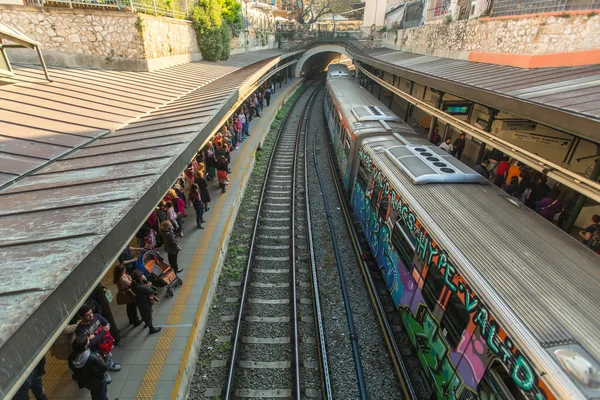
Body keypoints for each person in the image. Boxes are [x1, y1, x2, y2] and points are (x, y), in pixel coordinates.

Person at [75, 305, 120, 373]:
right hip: (94, 349)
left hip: (105, 343)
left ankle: (110, 364)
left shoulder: (97, 316)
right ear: (82, 317)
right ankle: (104, 374)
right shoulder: (80, 330)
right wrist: (103, 331)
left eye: (91, 313)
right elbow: (90, 343)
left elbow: (108, 324)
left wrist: (95, 334)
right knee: (99, 362)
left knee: (108, 355)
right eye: (87, 315)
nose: (91, 316)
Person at [69, 335, 109, 400]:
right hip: (97, 381)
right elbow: (104, 368)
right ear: (85, 346)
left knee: (95, 393)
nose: (89, 339)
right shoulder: (92, 358)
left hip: (87, 380)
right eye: (87, 340)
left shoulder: (72, 356)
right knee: (101, 394)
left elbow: (72, 368)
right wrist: (105, 357)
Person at [131, 270, 161, 334]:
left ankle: (146, 323)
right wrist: (148, 283)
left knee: (143, 314)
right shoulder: (140, 287)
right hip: (145, 303)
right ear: (138, 278)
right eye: (141, 276)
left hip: (139, 302)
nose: (142, 276)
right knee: (148, 315)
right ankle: (151, 329)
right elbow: (151, 290)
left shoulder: (133, 283)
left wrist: (144, 281)